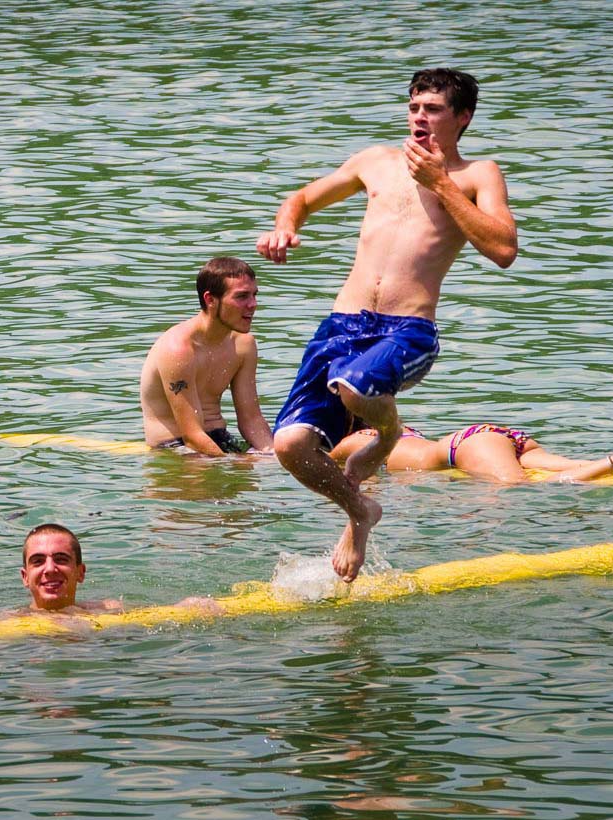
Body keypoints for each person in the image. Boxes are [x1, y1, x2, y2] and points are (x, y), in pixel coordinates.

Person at [255, 68, 519, 581]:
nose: (421, 116)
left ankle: (389, 431)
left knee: (356, 388)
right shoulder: (375, 161)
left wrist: (440, 183)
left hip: (406, 330)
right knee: (289, 446)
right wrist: (284, 228)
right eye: (415, 106)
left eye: (435, 109)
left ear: (462, 118)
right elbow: (303, 199)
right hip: (342, 324)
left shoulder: (476, 175)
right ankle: (360, 510)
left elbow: (503, 249)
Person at [139, 257, 274, 456]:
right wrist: (231, 464)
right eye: (242, 296)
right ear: (210, 299)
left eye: (254, 295)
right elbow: (192, 436)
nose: (253, 304)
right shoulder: (178, 350)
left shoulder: (243, 344)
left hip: (220, 439)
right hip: (175, 448)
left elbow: (251, 420)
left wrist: (273, 455)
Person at [329, 423, 613, 485]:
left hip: (465, 448)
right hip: (490, 436)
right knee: (575, 466)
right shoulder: (397, 431)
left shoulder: (352, 443)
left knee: (529, 488)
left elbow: (348, 480)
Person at [21, 523, 215, 614]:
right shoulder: (4, 624)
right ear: (25, 577)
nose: (50, 569)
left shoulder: (109, 609)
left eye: (61, 559)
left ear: (80, 572)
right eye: (37, 561)